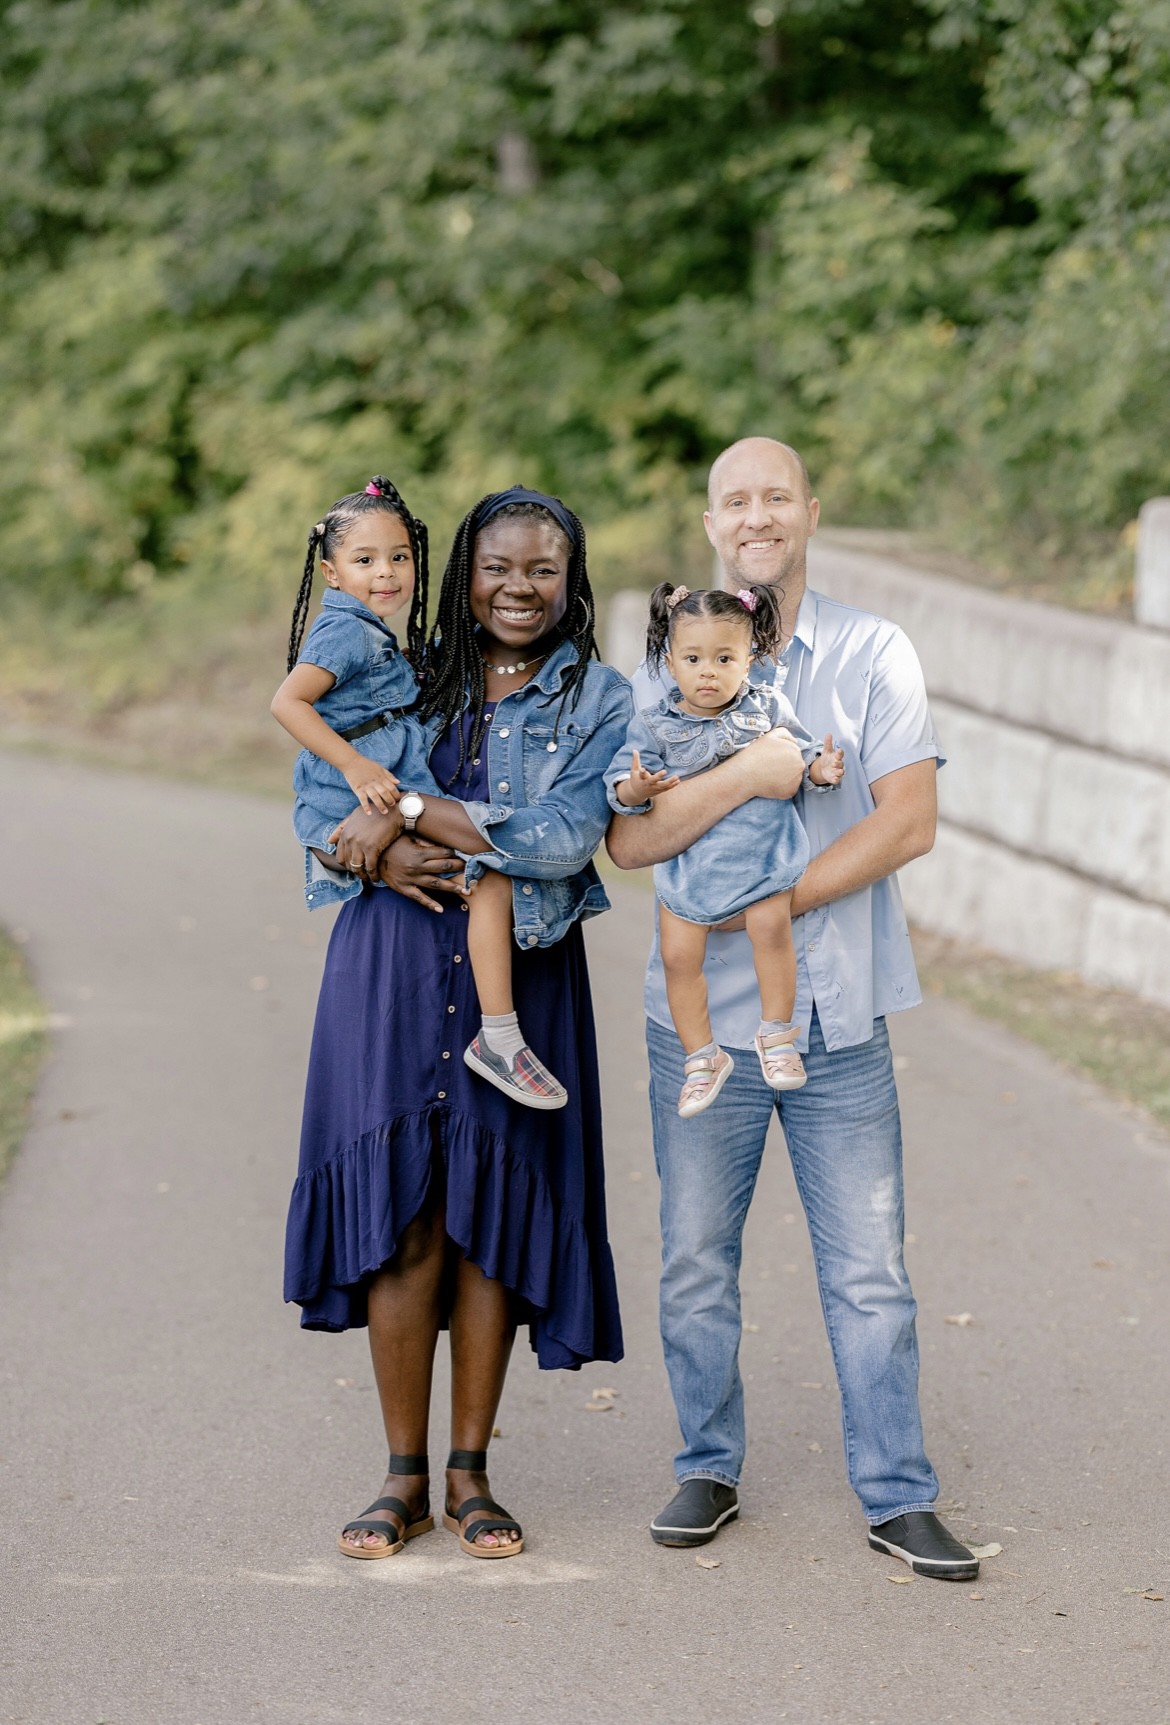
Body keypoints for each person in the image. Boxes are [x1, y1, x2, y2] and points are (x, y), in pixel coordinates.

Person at [606, 436, 979, 1581]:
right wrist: (746, 777)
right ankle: (707, 1467)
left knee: (871, 1273)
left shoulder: (874, 651)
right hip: (700, 1031)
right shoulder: (663, 663)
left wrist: (769, 897)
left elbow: (908, 820)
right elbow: (630, 841)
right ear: (712, 523)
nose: (758, 515)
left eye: (777, 495)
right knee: (695, 1264)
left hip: (842, 1017)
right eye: (737, 499)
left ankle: (898, 1495)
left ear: (811, 511)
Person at [284, 485, 631, 1561]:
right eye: (496, 567)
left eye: (542, 569)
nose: (517, 588)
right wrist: (374, 849)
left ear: (572, 581)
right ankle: (403, 1479)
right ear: (462, 576)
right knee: (406, 1216)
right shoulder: (406, 665)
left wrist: (402, 813)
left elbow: (561, 837)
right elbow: (317, 795)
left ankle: (471, 1475)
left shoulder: (601, 698)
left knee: (491, 1220)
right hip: (390, 960)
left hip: (518, 978)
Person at [270, 475, 568, 1109]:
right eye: (365, 560)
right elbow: (287, 702)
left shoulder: (388, 642)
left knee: (485, 876)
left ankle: (497, 1032)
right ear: (330, 573)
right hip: (357, 793)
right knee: (490, 875)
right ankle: (499, 1034)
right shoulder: (347, 631)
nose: (386, 572)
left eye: (399, 557)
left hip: (377, 796)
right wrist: (357, 770)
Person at [606, 581, 844, 1117]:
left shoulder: (767, 707)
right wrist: (636, 789)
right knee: (678, 958)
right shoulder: (654, 725)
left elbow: (800, 753)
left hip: (763, 859)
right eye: (693, 659)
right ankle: (701, 1057)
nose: (708, 672)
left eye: (724, 658)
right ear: (670, 662)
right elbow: (620, 784)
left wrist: (820, 770)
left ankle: (777, 1035)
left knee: (772, 933)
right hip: (692, 870)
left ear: (749, 659)